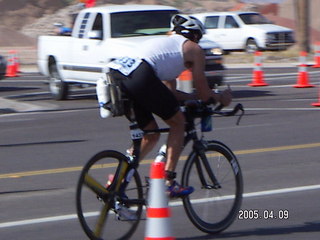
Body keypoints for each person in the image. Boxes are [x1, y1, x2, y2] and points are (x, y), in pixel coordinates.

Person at [106, 14, 232, 198]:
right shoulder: (193, 49)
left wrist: (190, 97)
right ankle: (168, 181)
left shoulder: (167, 47)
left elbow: (170, 93)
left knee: (151, 134)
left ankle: (118, 180)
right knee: (178, 123)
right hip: (140, 75)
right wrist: (221, 97)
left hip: (120, 75)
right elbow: (205, 94)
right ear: (195, 36)